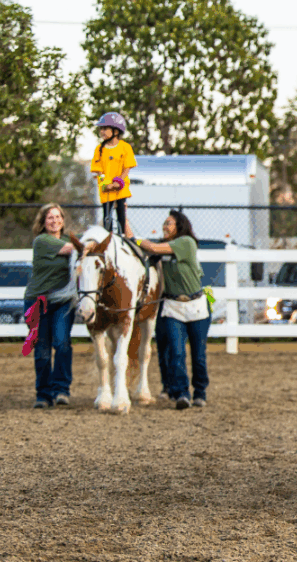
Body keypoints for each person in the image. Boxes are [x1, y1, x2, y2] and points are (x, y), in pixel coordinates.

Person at [136, 211, 209, 410]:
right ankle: (182, 393)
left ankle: (200, 392)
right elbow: (147, 250)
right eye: (164, 223)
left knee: (198, 355)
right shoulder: (163, 249)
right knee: (176, 352)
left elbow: (149, 246)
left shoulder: (186, 242)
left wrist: (134, 238)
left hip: (195, 306)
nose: (164, 226)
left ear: (180, 226)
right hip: (173, 306)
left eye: (169, 223)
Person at [23, 204, 77, 408]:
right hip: (38, 302)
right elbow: (73, 248)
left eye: (57, 216)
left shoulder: (70, 238)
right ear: (43, 222)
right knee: (43, 350)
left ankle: (61, 390)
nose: (54, 221)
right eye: (49, 218)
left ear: (63, 219)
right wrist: (87, 243)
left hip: (62, 302)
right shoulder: (42, 241)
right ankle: (43, 394)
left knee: (62, 343)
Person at [89, 112, 136, 237]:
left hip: (120, 188)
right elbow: (98, 169)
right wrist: (105, 184)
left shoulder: (125, 147)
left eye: (105, 128)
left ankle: (123, 236)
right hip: (106, 190)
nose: (102, 132)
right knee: (107, 214)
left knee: (121, 211)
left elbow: (127, 167)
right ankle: (107, 236)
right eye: (101, 129)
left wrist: (118, 182)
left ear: (116, 130)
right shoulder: (99, 149)